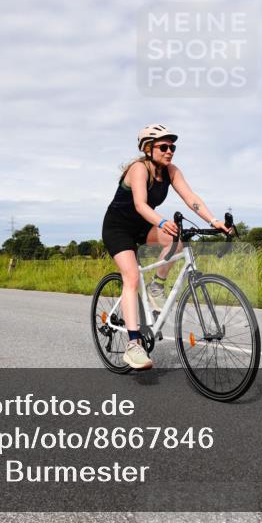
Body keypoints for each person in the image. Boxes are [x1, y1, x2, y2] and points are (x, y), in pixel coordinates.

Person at [101, 124, 231, 370]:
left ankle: (156, 286)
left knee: (177, 239)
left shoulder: (171, 171)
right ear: (148, 148)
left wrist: (214, 221)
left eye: (172, 146)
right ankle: (132, 345)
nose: (170, 150)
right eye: (164, 146)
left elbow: (191, 198)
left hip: (143, 226)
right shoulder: (139, 169)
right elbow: (140, 204)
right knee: (130, 277)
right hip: (118, 228)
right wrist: (162, 221)